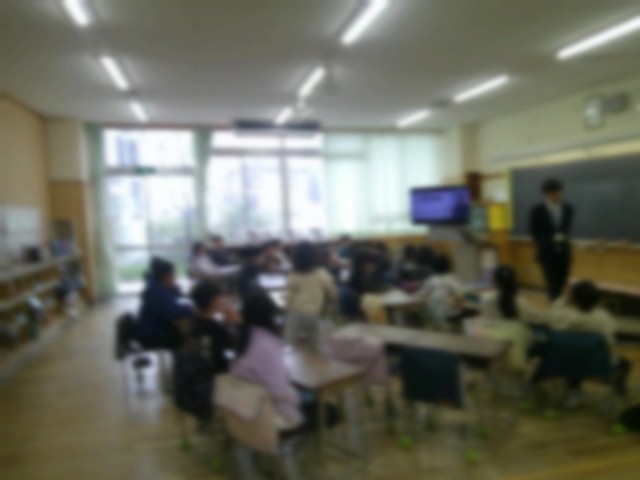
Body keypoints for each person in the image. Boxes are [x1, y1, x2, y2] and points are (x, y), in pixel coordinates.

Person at [545, 281, 631, 406]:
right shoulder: (603, 318)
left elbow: (553, 315)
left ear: (573, 299)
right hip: (597, 366)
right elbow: (609, 342)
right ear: (597, 299)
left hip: (567, 363)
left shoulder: (562, 317)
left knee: (573, 353)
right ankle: (618, 393)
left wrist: (565, 299)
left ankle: (573, 391)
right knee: (624, 363)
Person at [231, 292, 303, 429]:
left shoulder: (244, 338)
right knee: (329, 410)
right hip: (272, 415)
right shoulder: (266, 345)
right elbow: (279, 390)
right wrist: (296, 396)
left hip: (248, 408)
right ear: (270, 315)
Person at [173, 280, 239, 426]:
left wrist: (226, 326)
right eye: (222, 296)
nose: (225, 300)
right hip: (213, 384)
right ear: (215, 301)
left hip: (193, 383)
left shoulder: (193, 322)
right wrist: (234, 324)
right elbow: (239, 348)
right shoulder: (216, 330)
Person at [285, 242, 337, 350]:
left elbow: (288, 296)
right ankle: (316, 359)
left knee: (290, 346)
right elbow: (332, 294)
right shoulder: (322, 273)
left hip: (295, 312)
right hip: (315, 313)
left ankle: (293, 360)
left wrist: (287, 309)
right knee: (318, 346)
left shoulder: (293, 274)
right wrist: (330, 304)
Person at [529, 179, 575, 301]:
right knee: (552, 285)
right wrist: (549, 241)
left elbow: (566, 229)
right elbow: (535, 233)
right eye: (552, 193)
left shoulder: (568, 208)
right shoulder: (537, 211)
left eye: (558, 192)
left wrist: (560, 239)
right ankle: (554, 308)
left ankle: (561, 307)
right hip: (547, 253)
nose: (555, 195)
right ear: (546, 194)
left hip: (563, 252)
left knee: (563, 283)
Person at [138, 258, 192, 350]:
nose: (175, 277)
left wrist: (174, 288)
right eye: (173, 274)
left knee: (181, 331)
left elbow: (174, 300)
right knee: (185, 335)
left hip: (155, 328)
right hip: (153, 335)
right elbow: (173, 312)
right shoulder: (156, 292)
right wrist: (191, 308)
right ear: (167, 276)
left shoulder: (157, 285)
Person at [416, 253, 472, 329]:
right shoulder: (453, 280)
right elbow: (463, 297)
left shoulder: (430, 281)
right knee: (472, 311)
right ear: (448, 265)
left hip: (435, 317)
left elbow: (421, 297)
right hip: (452, 317)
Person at [349, 250, 390, 324]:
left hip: (363, 307)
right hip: (368, 307)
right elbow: (371, 287)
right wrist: (386, 287)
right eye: (370, 262)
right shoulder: (361, 276)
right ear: (364, 263)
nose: (372, 265)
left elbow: (372, 285)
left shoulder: (356, 273)